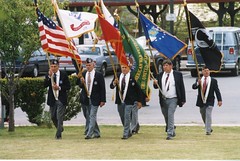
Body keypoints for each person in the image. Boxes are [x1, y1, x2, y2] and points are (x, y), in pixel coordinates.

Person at [153, 59, 186, 140]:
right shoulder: (160, 75)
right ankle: (172, 129)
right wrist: (155, 83)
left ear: (171, 66)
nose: (165, 67)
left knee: (170, 114)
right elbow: (157, 87)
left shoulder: (177, 74)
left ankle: (170, 133)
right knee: (166, 116)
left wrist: (183, 99)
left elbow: (182, 87)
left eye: (166, 65)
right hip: (163, 98)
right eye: (164, 66)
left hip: (173, 98)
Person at [110, 64, 142, 139]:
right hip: (120, 100)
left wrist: (139, 101)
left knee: (127, 116)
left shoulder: (132, 76)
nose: (124, 69)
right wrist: (114, 83)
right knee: (122, 116)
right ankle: (128, 131)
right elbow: (111, 86)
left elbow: (138, 90)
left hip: (129, 101)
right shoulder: (117, 75)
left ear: (128, 68)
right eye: (122, 67)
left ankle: (125, 134)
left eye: (125, 67)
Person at [77, 58, 106, 139]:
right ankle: (97, 132)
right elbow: (79, 85)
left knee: (92, 115)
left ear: (93, 65)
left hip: (95, 99)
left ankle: (89, 134)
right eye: (87, 65)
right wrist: (81, 82)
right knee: (89, 116)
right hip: (86, 98)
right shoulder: (84, 73)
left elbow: (102, 88)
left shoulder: (98, 75)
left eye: (89, 65)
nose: (88, 67)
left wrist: (103, 100)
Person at [44, 59, 71, 140]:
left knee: (59, 117)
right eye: (51, 66)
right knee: (53, 116)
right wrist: (49, 77)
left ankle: (58, 135)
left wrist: (59, 88)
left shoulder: (63, 74)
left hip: (61, 99)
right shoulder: (49, 75)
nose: (53, 68)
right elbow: (44, 85)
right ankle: (60, 128)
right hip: (52, 99)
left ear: (58, 66)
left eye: (55, 66)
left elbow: (68, 86)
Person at [192, 66, 222, 135]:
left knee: (208, 114)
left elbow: (217, 91)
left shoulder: (213, 80)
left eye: (208, 71)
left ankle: (208, 130)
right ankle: (208, 126)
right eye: (205, 71)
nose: (206, 72)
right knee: (203, 114)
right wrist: (197, 83)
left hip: (210, 100)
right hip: (201, 100)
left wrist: (219, 100)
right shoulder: (199, 79)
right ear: (202, 72)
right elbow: (194, 87)